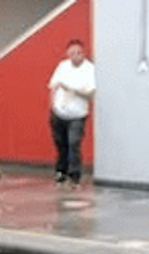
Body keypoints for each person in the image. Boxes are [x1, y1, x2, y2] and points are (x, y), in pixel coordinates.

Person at [48, 40, 96, 186]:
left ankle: (75, 174)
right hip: (59, 112)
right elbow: (53, 86)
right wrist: (52, 105)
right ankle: (61, 171)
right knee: (61, 143)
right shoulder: (63, 66)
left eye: (78, 53)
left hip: (77, 114)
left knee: (74, 143)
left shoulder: (89, 69)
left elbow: (90, 92)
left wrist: (72, 89)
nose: (75, 56)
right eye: (72, 53)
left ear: (83, 53)